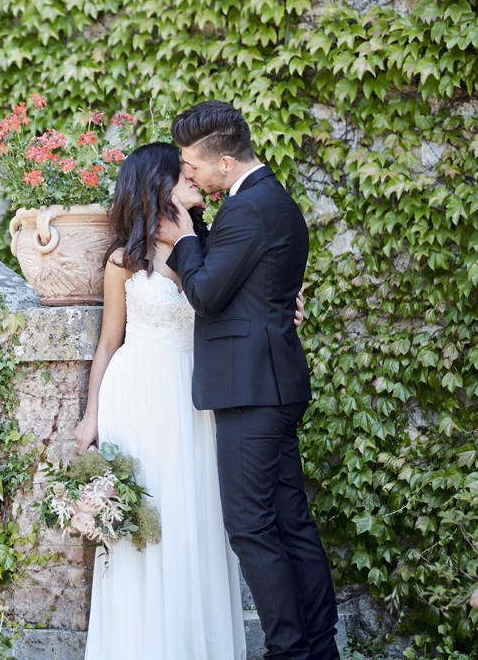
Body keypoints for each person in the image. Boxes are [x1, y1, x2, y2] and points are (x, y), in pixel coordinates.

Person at [158, 100, 340, 660]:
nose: (188, 173)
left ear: (227, 161)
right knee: (290, 523)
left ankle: (288, 650)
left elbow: (209, 294)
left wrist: (184, 236)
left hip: (250, 390)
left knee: (251, 526)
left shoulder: (249, 209)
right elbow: (248, 281)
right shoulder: (267, 200)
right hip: (272, 384)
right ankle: (317, 648)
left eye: (192, 163)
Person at [74, 142, 247, 659]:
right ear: (159, 183)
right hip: (138, 394)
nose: (194, 176)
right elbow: (108, 343)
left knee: (194, 523)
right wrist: (90, 418)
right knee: (142, 527)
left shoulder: (213, 249)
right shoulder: (122, 260)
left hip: (194, 399)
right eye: (183, 172)